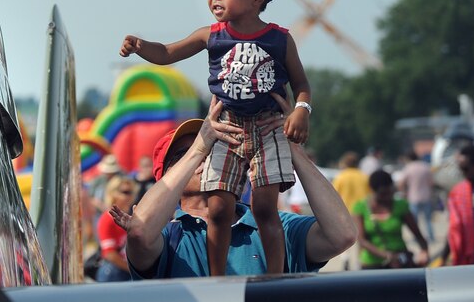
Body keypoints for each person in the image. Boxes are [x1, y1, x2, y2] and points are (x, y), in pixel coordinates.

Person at [119, 0, 312, 276]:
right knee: (219, 207)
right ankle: (218, 278)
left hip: (268, 129)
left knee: (264, 207)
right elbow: (167, 52)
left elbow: (301, 83)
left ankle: (278, 278)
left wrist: (301, 110)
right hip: (227, 129)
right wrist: (141, 46)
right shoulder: (211, 36)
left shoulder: (280, 40)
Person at [111, 102, 357, 278]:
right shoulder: (170, 238)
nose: (207, 155)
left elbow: (342, 235)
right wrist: (198, 147)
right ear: (168, 176)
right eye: (182, 155)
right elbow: (140, 233)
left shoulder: (273, 226)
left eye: (214, 146)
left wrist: (287, 145)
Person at [352, 170, 430, 269]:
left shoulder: (401, 205)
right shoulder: (360, 208)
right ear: (373, 190)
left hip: (400, 262)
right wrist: (388, 256)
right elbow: (362, 240)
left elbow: (418, 234)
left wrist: (424, 251)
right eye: (383, 194)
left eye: (389, 193)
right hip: (372, 264)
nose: (387, 197)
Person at [331, 151, 370, 270]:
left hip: (345, 211)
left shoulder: (340, 177)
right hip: (362, 212)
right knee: (361, 238)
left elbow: (333, 194)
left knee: (346, 238)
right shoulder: (364, 176)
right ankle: (359, 261)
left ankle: (345, 258)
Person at [95, 175, 139, 281]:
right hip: (114, 273)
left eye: (131, 192)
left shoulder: (132, 216)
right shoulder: (107, 218)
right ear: (113, 194)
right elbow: (109, 254)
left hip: (125, 271)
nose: (130, 196)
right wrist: (133, 270)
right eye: (125, 192)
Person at [397, 150, 436, 243]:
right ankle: (431, 237)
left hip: (413, 197)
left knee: (414, 220)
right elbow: (432, 183)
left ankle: (416, 238)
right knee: (428, 219)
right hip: (426, 196)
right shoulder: (425, 166)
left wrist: (404, 192)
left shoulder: (408, 168)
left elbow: (401, 183)